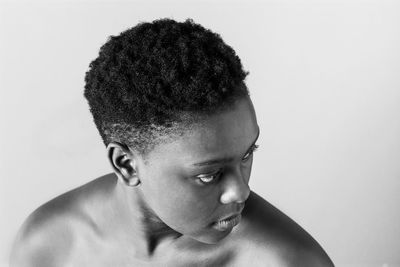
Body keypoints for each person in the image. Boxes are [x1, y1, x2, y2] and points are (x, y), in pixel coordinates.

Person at [10, 18, 333, 266]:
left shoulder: (285, 261)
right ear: (126, 164)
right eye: (209, 174)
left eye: (248, 153)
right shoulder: (50, 244)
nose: (240, 191)